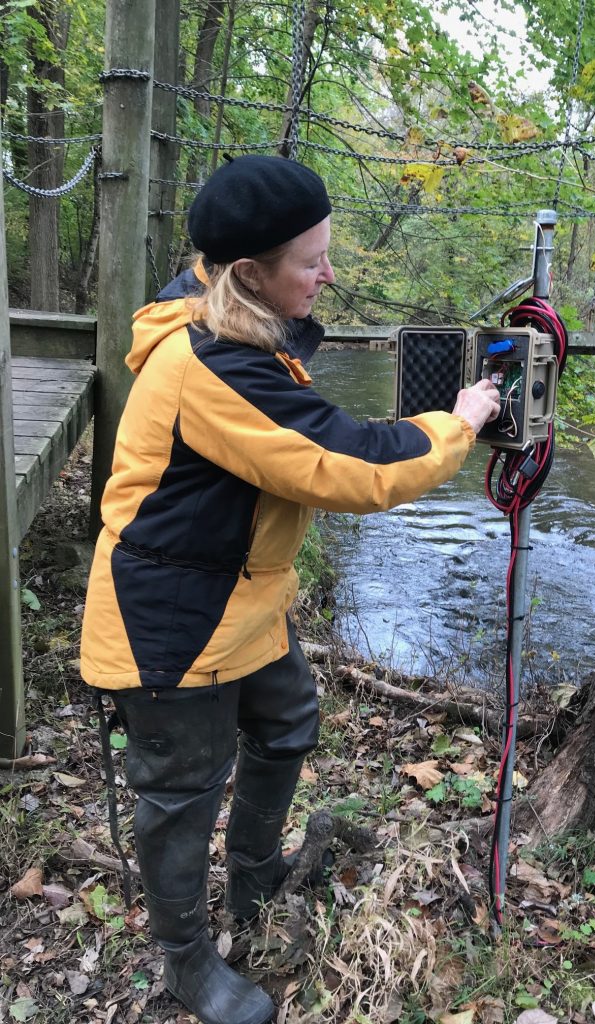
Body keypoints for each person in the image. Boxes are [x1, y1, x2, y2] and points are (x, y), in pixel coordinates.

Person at [80, 154, 500, 1024]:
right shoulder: (212, 363)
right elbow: (352, 463)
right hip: (169, 621)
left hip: (242, 599)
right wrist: (456, 427)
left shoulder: (231, 317)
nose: (329, 273)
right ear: (249, 274)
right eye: (311, 261)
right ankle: (185, 961)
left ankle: (257, 874)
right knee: (181, 788)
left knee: (287, 721)